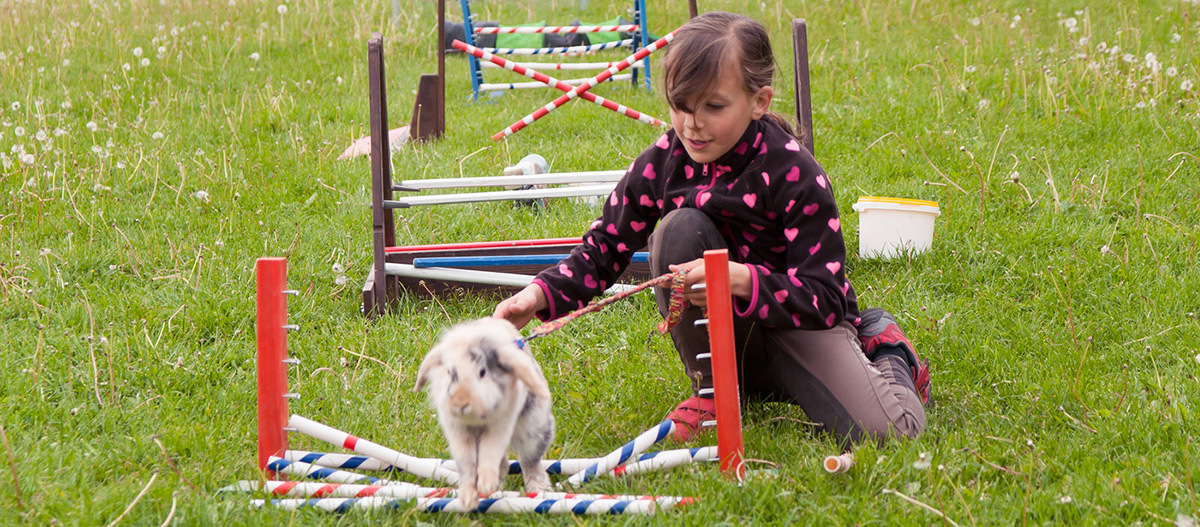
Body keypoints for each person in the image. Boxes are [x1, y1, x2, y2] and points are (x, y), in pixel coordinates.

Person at [494, 11, 929, 445]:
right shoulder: (665, 160)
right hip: (729, 337)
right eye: (679, 106)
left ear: (758, 101)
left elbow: (827, 298)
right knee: (679, 228)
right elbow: (605, 245)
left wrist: (741, 280)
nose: (691, 124)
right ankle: (713, 390)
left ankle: (886, 347)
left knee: (891, 435)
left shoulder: (795, 173)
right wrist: (539, 294)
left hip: (801, 328)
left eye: (713, 107)